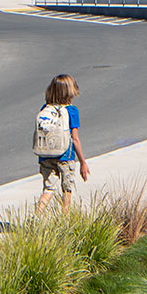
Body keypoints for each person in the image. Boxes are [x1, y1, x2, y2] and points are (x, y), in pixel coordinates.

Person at [36, 74, 90, 210]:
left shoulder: (45, 108)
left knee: (49, 189)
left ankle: (36, 216)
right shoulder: (71, 111)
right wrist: (83, 162)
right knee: (67, 189)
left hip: (46, 155)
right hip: (66, 155)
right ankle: (65, 219)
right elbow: (75, 139)